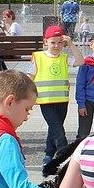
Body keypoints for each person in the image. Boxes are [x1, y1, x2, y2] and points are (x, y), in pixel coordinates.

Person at [31, 25, 75, 165]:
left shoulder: (64, 57)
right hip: (45, 101)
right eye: (53, 42)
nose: (56, 46)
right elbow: (29, 77)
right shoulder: (38, 57)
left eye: (60, 42)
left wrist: (71, 43)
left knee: (54, 128)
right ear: (45, 42)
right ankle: (66, 157)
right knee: (59, 131)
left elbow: (81, 61)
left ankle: (48, 153)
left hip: (62, 100)